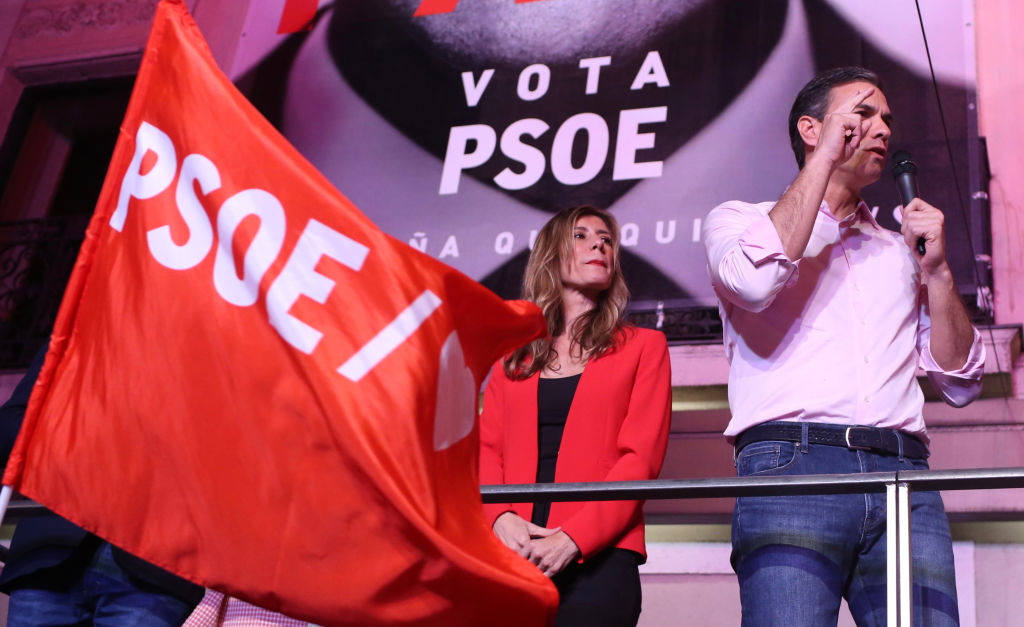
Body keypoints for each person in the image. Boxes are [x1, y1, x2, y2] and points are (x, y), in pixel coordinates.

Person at [702, 66, 985, 625]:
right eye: (863, 114)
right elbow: (755, 284)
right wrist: (824, 163)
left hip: (903, 473)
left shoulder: (899, 249)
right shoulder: (739, 221)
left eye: (887, 119)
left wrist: (939, 272)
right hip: (791, 466)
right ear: (813, 129)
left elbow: (960, 381)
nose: (882, 128)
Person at [479, 205, 671, 626]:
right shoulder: (512, 359)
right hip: (512, 554)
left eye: (605, 239)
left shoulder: (645, 347)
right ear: (551, 253)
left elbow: (639, 460)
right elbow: (487, 452)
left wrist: (573, 539)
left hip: (599, 561)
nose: (599, 244)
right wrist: (500, 518)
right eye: (582, 236)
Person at [0, 344, 204, 626]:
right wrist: (88, 426)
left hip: (155, 566)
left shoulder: (212, 342)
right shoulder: (80, 326)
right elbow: (10, 428)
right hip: (51, 553)